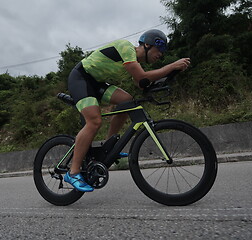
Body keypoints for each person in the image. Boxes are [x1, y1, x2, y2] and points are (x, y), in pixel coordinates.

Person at [64, 29, 191, 192]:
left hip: (96, 83)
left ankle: (109, 146)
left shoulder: (132, 60)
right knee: (94, 121)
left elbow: (142, 83)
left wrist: (171, 73)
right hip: (81, 78)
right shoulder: (126, 48)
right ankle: (73, 172)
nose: (161, 55)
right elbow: (142, 77)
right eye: (159, 50)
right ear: (147, 44)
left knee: (127, 101)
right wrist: (171, 66)